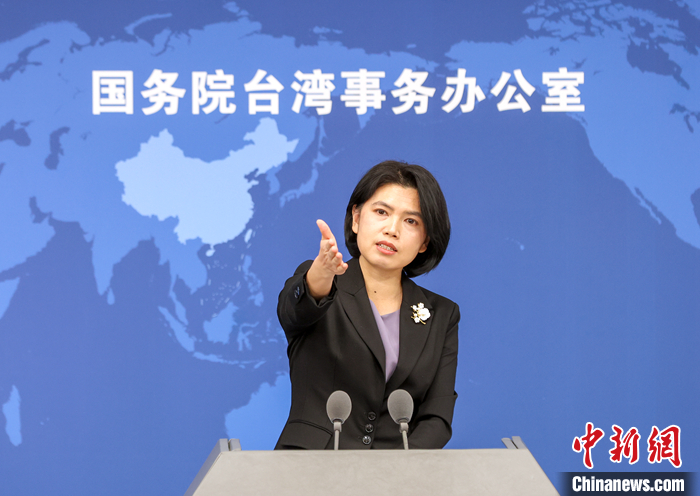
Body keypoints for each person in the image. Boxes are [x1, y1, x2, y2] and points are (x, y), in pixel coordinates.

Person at [275, 160, 459, 449]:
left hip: (398, 473)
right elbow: (293, 311)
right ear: (356, 218)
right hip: (310, 466)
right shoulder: (322, 285)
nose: (392, 229)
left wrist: (399, 469)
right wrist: (320, 275)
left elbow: (437, 415)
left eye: (411, 221)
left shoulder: (442, 315)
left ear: (425, 242)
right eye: (381, 212)